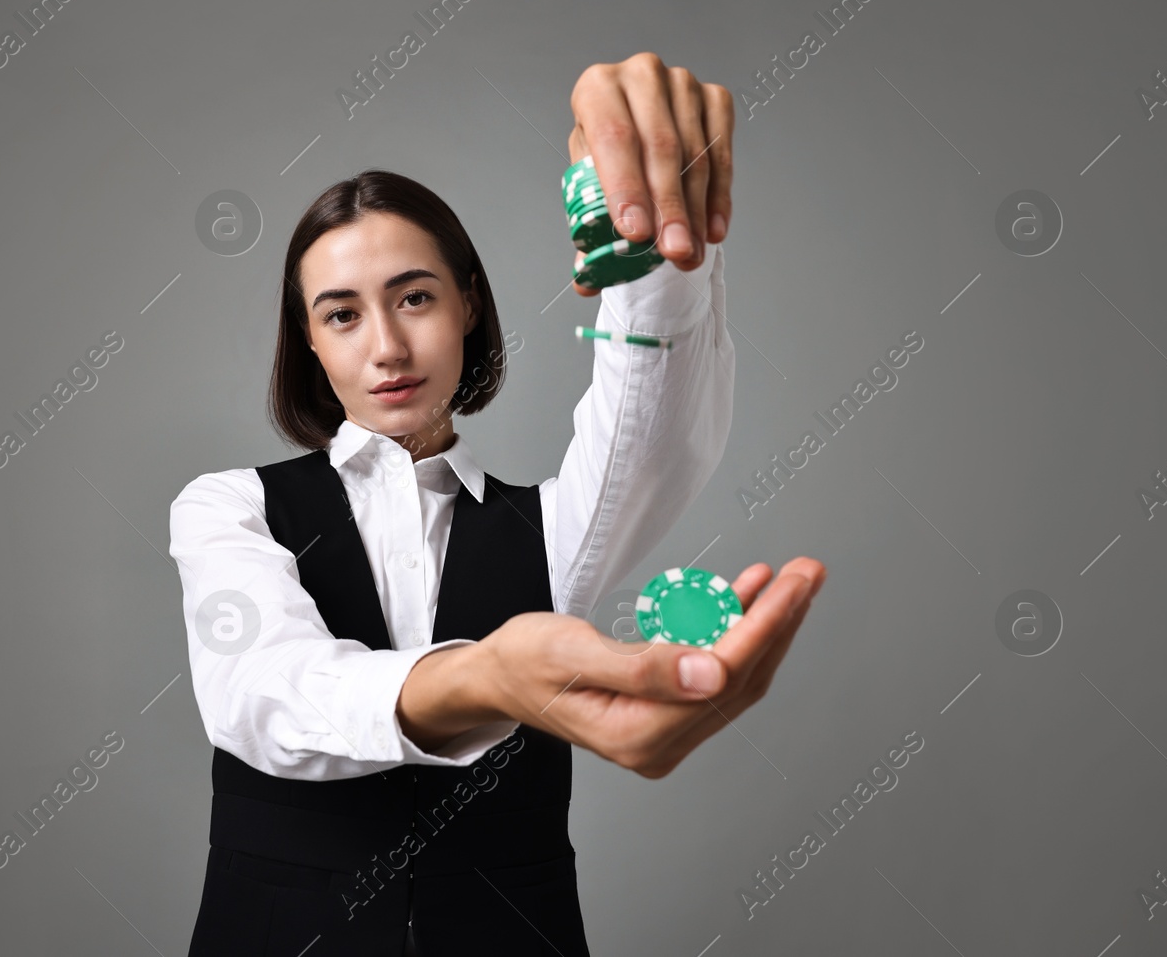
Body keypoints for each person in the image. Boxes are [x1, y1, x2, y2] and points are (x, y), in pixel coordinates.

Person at [171, 52, 827, 956]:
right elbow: (262, 696)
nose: (388, 345)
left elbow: (657, 429)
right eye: (342, 314)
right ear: (311, 345)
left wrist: (650, 239)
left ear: (468, 305)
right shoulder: (226, 508)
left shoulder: (554, 534)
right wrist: (490, 676)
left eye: (415, 297)